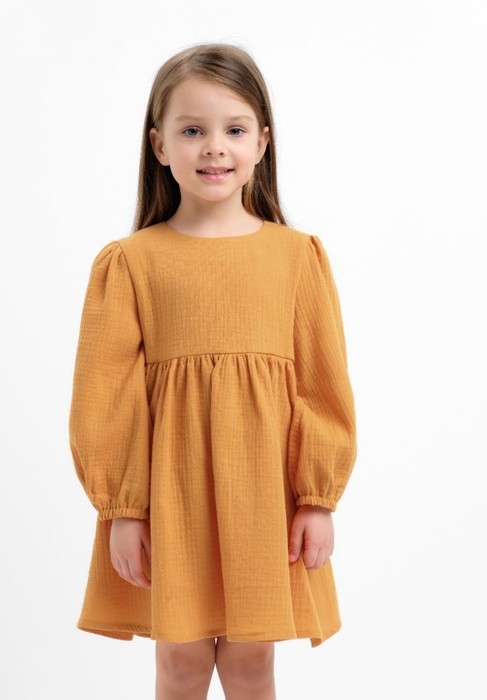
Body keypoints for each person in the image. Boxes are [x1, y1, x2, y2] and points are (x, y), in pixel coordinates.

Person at [69, 42, 357, 700]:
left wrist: (317, 497)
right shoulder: (130, 262)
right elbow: (104, 396)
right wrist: (122, 509)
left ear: (262, 143)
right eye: (192, 131)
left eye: (234, 130)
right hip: (171, 498)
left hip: (265, 496)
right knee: (180, 662)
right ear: (159, 146)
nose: (214, 148)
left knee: (253, 663)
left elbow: (322, 386)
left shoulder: (297, 257)